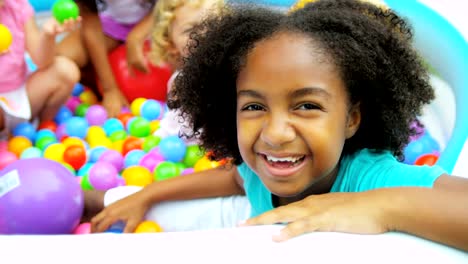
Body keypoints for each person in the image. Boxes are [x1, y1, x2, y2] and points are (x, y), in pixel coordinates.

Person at [90, 0, 468, 251]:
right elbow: (233, 179)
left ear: (352, 118)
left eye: (306, 105)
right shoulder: (262, 165)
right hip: (246, 224)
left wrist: (380, 206)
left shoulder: (370, 177)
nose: (275, 133)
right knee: (100, 206)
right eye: (254, 106)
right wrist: (146, 194)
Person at [82, 0, 251, 233]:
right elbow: (179, 129)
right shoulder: (180, 84)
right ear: (172, 47)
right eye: (192, 30)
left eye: (214, 24)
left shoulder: (241, 71)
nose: (206, 34)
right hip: (183, 155)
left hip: (217, 161)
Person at [56, 0, 157, 117]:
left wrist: (136, 37)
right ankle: (94, 86)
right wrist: (109, 89)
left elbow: (171, 4)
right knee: (60, 61)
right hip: (113, 25)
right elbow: (91, 29)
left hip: (159, 21)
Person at [0, 0, 80, 139]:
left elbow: (42, 61)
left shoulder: (18, 6)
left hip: (22, 97)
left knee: (65, 70)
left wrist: (48, 35)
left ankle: (42, 131)